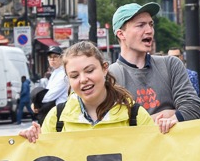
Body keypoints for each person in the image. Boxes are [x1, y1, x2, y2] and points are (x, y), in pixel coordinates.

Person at [108, 3, 200, 128]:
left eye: (151, 24)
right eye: (140, 25)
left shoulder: (171, 64)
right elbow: (113, 125)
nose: (149, 30)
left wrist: (172, 119)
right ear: (121, 34)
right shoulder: (110, 76)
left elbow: (194, 107)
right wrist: (165, 115)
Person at [19, 42, 157, 142]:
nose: (83, 79)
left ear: (105, 68)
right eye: (74, 76)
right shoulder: (56, 118)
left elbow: (155, 157)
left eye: (89, 71)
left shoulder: (134, 114)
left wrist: (165, 130)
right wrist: (32, 140)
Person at [36, 46, 68, 122]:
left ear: (62, 58)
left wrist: (37, 102)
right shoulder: (55, 72)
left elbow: (51, 95)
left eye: (55, 56)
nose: (52, 59)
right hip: (54, 110)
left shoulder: (64, 74)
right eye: (50, 57)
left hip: (61, 111)